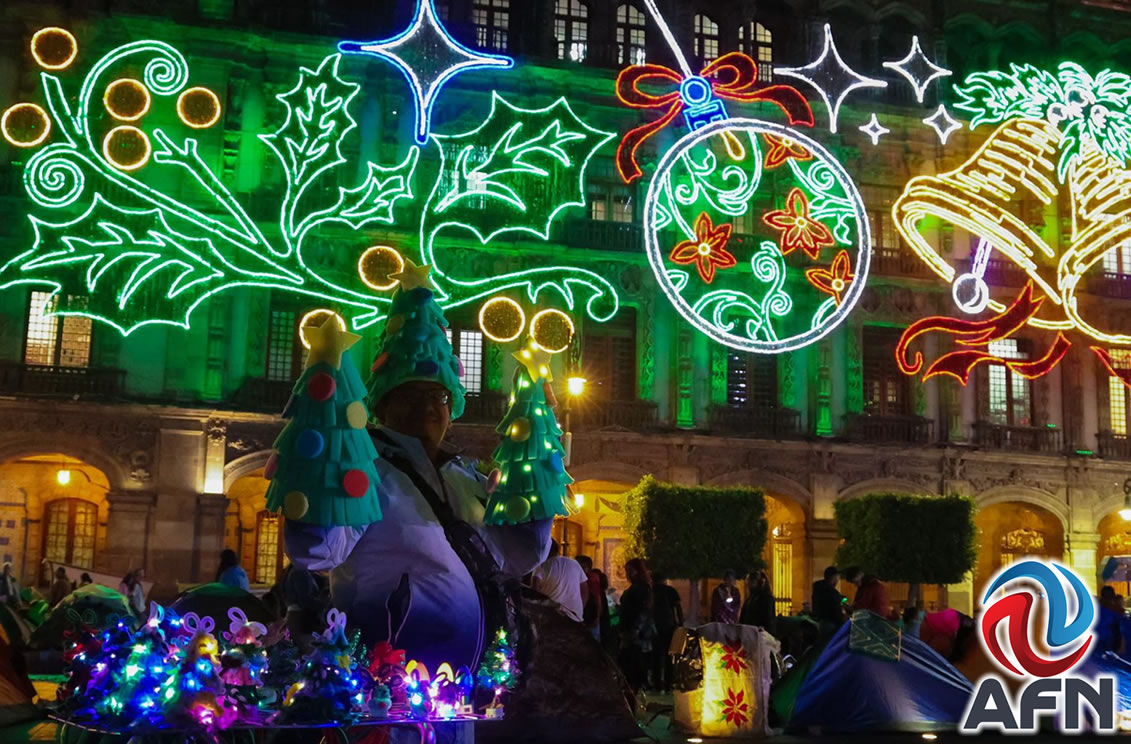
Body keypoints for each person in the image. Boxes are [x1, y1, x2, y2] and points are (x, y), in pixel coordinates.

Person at [285, 288, 551, 672]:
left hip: (471, 686)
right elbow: (317, 551)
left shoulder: (468, 479)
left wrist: (536, 509)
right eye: (410, 394)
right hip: (386, 688)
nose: (427, 405)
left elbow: (517, 557)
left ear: (452, 409)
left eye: (438, 396)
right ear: (382, 406)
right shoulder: (368, 473)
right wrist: (317, 481)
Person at [618, 558, 654, 693]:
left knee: (634, 666)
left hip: (637, 635)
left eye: (631, 570)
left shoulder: (643, 589)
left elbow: (644, 611)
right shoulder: (635, 588)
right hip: (629, 632)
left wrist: (636, 629)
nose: (628, 574)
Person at [531, 540, 588, 622]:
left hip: (551, 618)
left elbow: (534, 591)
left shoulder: (541, 566)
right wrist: (580, 608)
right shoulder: (574, 563)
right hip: (575, 617)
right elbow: (584, 589)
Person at [650, 571, 683, 693]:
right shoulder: (670, 591)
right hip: (670, 626)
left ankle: (657, 684)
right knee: (669, 656)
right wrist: (680, 624)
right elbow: (678, 608)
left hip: (655, 627)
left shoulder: (651, 591)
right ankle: (668, 683)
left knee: (656, 657)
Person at [576, 555, 604, 641]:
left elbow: (595, 598)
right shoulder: (592, 578)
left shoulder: (590, 579)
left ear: (586, 568)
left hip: (588, 618)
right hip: (590, 618)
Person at [811, 565, 846, 630]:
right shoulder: (831, 592)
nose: (838, 579)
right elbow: (835, 610)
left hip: (822, 622)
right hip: (832, 624)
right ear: (834, 577)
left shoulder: (819, 589)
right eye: (837, 577)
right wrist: (842, 621)